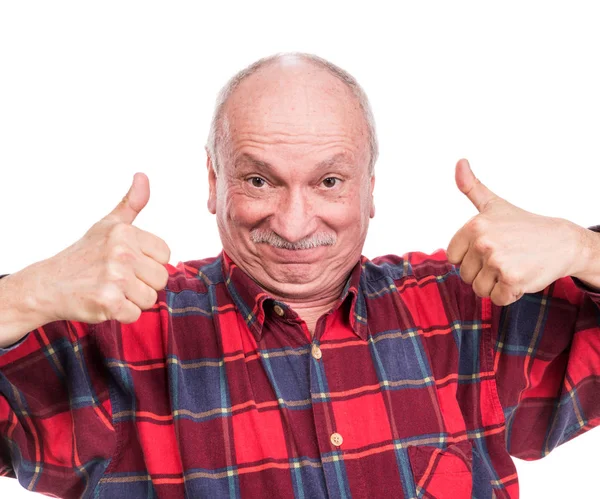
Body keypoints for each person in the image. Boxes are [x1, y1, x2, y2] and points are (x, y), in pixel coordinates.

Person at [1, 52, 599, 499]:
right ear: (214, 184)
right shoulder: (123, 333)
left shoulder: (468, 307)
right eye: (259, 180)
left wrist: (581, 248)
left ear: (370, 188)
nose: (292, 223)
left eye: (329, 181)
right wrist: (23, 296)